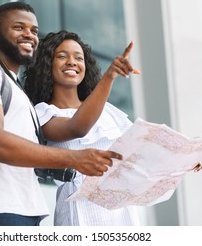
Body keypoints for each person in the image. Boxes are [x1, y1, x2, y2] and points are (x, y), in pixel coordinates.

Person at [0, 2, 122, 226]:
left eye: (33, 31)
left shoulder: (17, 90)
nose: (29, 35)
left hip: (22, 211)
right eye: (19, 27)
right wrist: (75, 159)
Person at [23, 30, 142, 226]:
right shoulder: (42, 112)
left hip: (122, 212)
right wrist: (109, 76)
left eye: (78, 58)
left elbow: (140, 151)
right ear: (46, 64)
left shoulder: (108, 111)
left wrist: (182, 159)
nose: (72, 62)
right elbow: (77, 128)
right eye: (62, 56)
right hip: (79, 213)